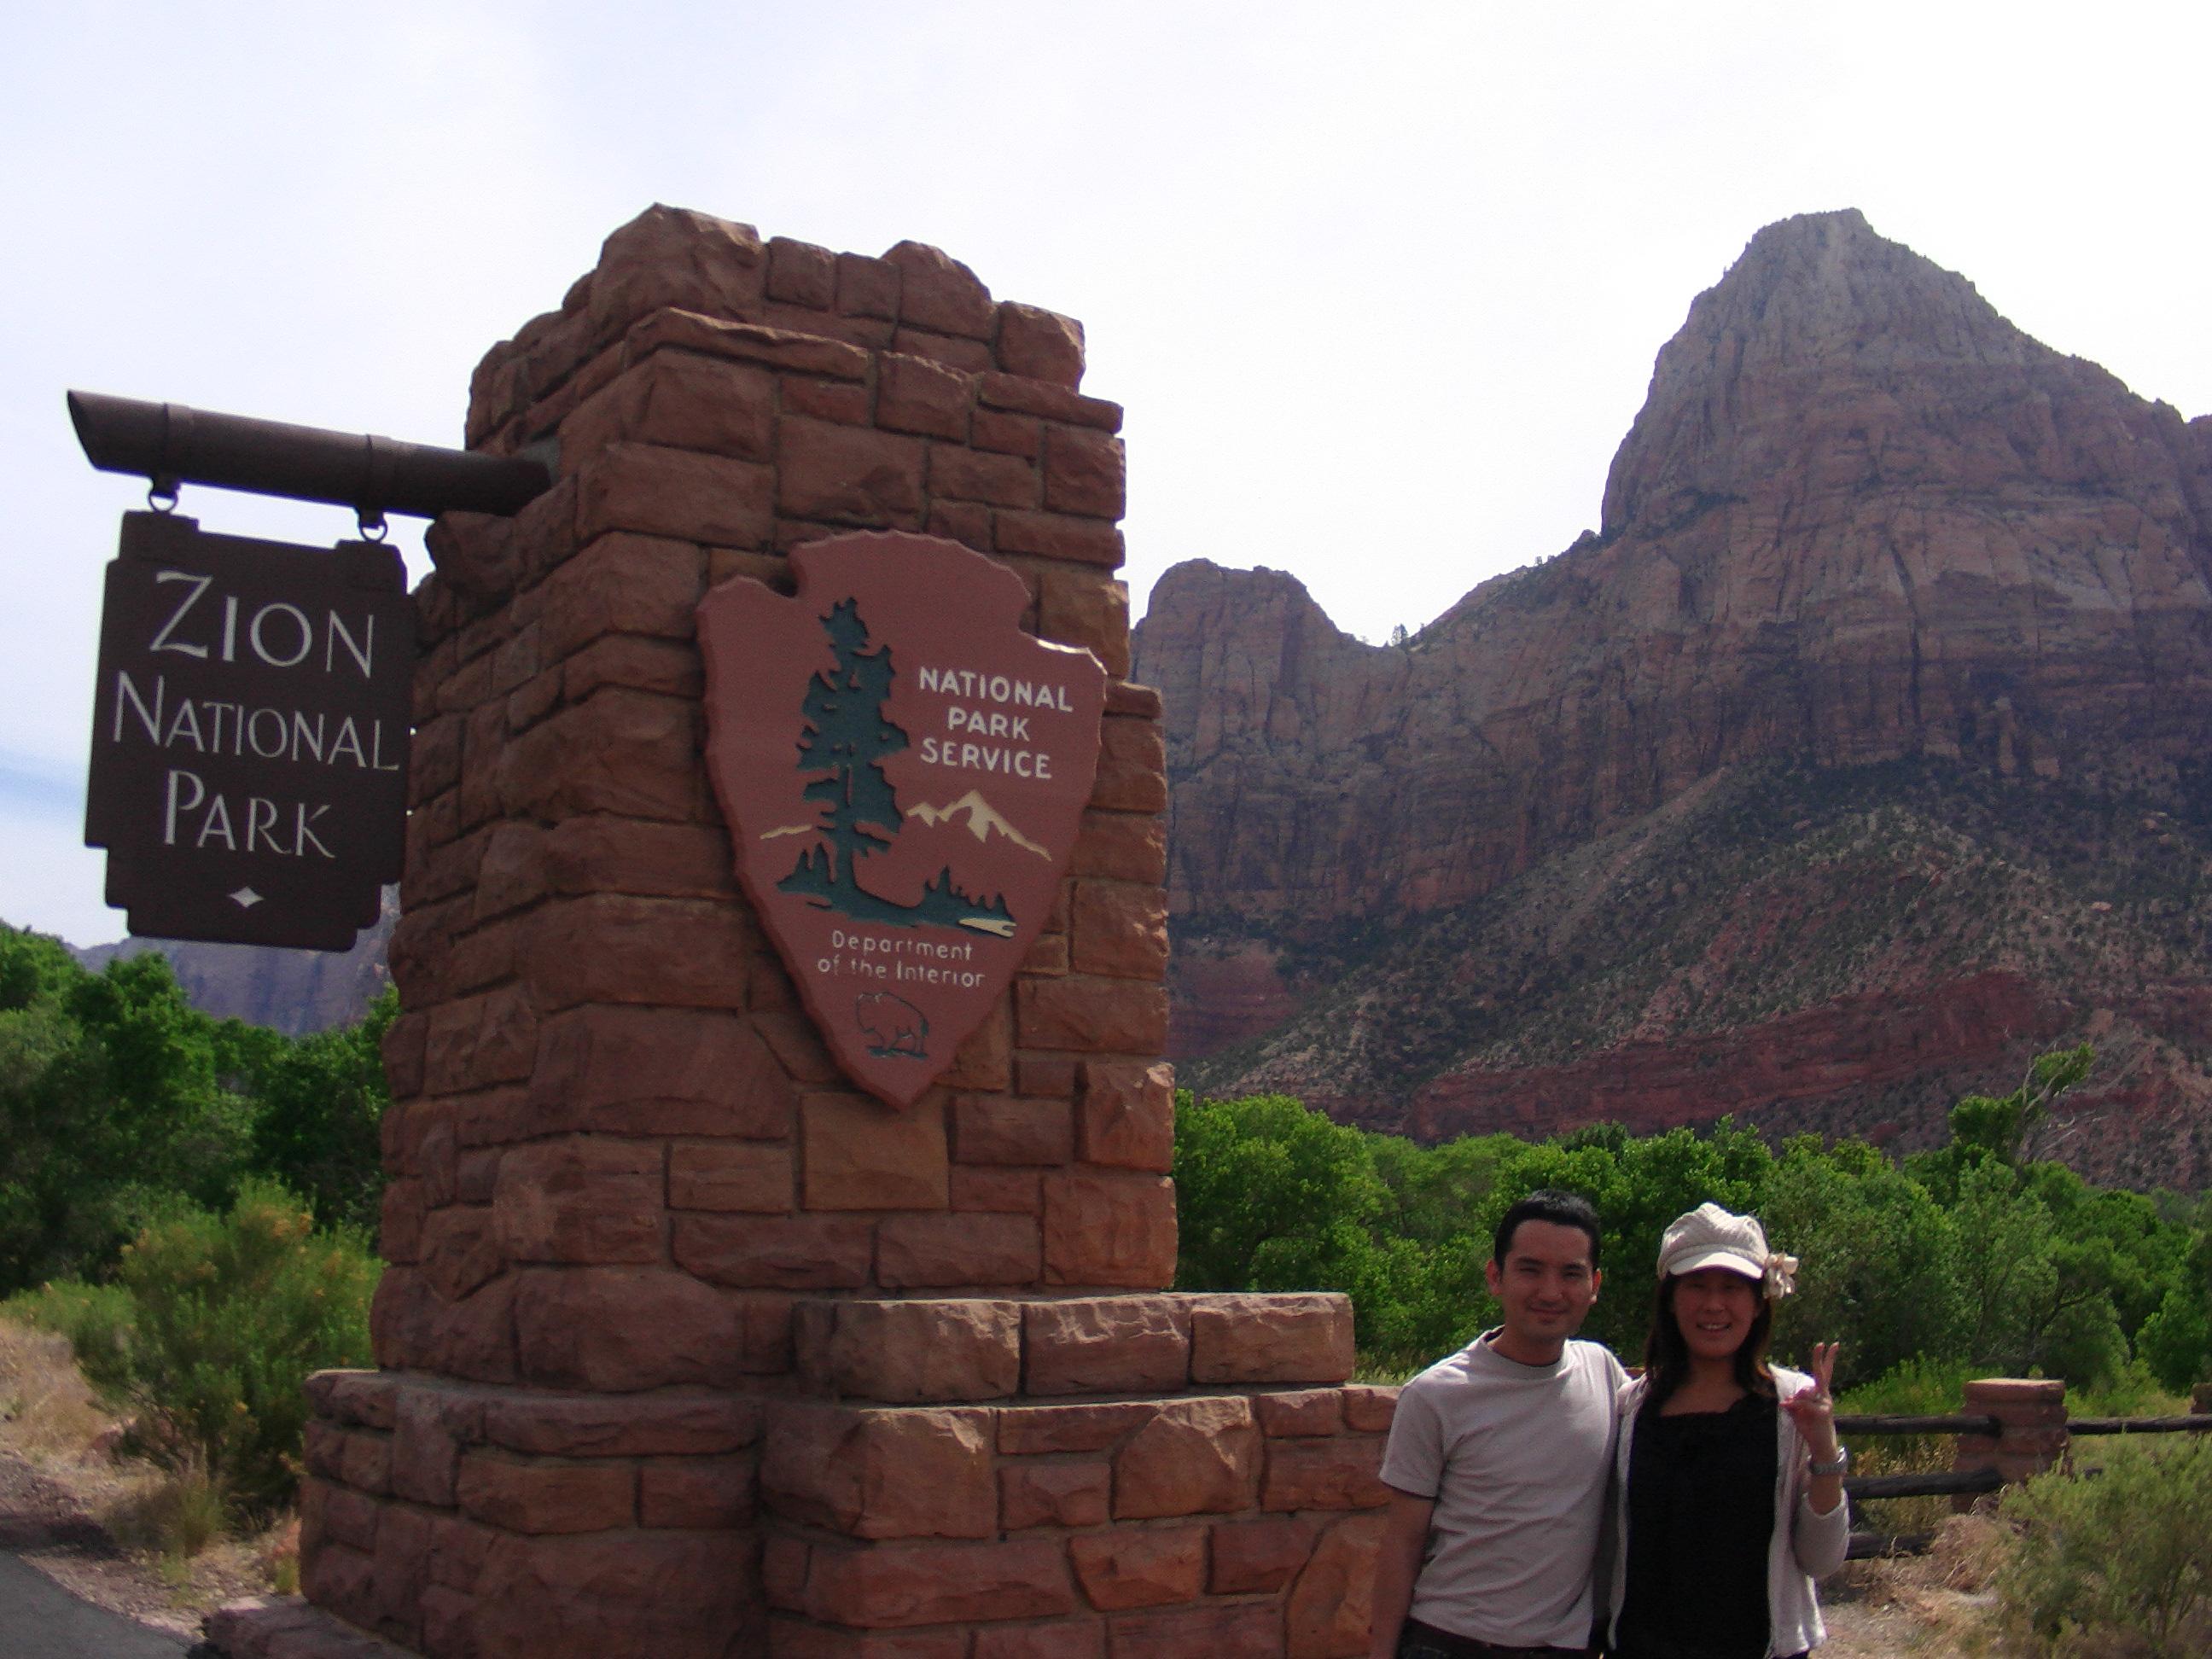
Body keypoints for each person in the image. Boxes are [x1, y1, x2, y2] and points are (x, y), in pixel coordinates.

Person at [1370, 1190, 1627, 1659]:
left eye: (1571, 1274)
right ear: (1496, 1277)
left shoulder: (1604, 1373)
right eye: (1530, 1270)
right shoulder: (1436, 1395)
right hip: (1448, 1642)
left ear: (1594, 1285)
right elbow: (1403, 1543)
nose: (1550, 1292)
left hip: (1564, 1647)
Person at [1604, 1203, 1850, 1659]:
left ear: (1758, 1302)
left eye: (1732, 1287)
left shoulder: (1792, 1407)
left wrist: (1823, 1449)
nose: (1713, 1305)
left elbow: (1822, 1559)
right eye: (1696, 1285)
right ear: (1671, 1299)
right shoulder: (1629, 1408)